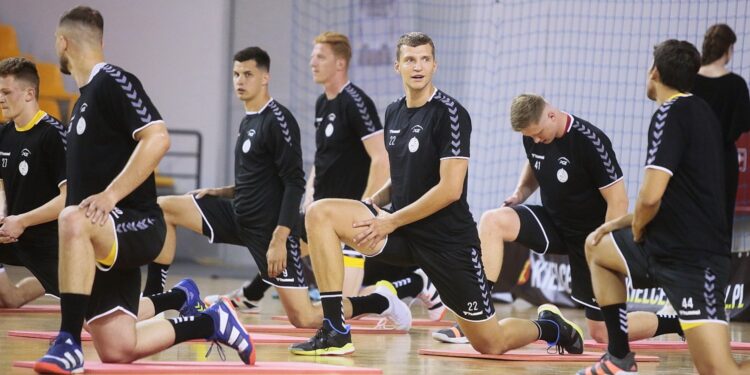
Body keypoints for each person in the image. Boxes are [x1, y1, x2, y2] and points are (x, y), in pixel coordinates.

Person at [290, 32, 583, 356]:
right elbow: (403, 179)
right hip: (402, 230)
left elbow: (449, 189)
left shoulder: (450, 114)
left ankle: (549, 327)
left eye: (425, 59)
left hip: (446, 241)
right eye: (411, 60)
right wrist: (375, 201)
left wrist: (389, 221)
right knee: (320, 212)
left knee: (490, 343)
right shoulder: (394, 112)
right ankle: (335, 330)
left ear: (435, 64)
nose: (418, 66)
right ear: (397, 66)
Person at [35, 7, 254, 373]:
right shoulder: (81, 104)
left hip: (137, 224)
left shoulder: (112, 80)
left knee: (72, 217)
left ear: (62, 42)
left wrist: (110, 197)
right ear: (100, 40)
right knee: (118, 348)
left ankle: (68, 342)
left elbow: (158, 139)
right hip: (101, 234)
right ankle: (210, 321)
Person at [154, 46, 411, 330]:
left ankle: (380, 301)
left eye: (248, 74)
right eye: (237, 74)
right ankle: (154, 299)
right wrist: (223, 191)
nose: (240, 80)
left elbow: (293, 181)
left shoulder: (278, 119)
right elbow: (259, 180)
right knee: (166, 207)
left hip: (270, 231)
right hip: (237, 217)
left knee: (304, 318)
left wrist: (279, 239)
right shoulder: (248, 120)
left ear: (265, 78)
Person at [204, 32, 443, 320]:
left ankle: (417, 283)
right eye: (312, 56)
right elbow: (322, 158)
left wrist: (365, 208)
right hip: (324, 210)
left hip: (350, 215)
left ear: (340, 63)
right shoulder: (322, 103)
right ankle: (252, 295)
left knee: (341, 305)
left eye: (320, 57)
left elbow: (381, 159)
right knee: (289, 246)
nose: (312, 62)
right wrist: (309, 195)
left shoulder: (355, 101)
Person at [435, 94, 682, 344]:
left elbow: (618, 201)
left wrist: (605, 244)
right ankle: (476, 315)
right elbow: (534, 162)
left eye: (538, 133)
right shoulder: (533, 135)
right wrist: (521, 192)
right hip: (553, 223)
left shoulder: (590, 141)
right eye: (530, 136)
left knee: (603, 333)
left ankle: (677, 322)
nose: (536, 140)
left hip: (589, 238)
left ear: (551, 115)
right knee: (492, 221)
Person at [578, 39, 750, 375]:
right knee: (597, 246)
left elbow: (651, 196)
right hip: (668, 247)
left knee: (717, 370)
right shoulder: (701, 112)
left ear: (654, 72)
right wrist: (618, 224)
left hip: (691, 260)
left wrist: (638, 227)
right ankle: (619, 357)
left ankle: (621, 356)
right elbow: (677, 199)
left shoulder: (670, 113)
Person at [0, 57, 66, 308]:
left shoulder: (52, 134)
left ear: (29, 93)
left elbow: (68, 198)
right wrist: (3, 217)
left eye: (6, 92)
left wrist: (22, 221)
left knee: (95, 318)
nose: (1, 98)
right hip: (12, 236)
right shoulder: (4, 133)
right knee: (9, 300)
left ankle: (177, 297)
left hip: (48, 241)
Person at [692, 23, 750, 232]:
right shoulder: (737, 85)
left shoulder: (690, 80)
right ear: (728, 49)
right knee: (722, 220)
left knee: (692, 216)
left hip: (692, 160)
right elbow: (743, 123)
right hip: (723, 161)